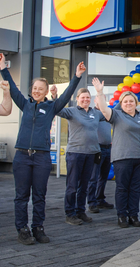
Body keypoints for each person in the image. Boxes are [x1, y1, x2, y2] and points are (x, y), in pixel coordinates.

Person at [0, 53, 85, 245]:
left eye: (41, 89)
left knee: (39, 195)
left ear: (46, 91)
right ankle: (22, 229)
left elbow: (67, 95)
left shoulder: (52, 107)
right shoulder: (25, 104)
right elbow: (12, 88)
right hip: (22, 156)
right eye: (35, 88)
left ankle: (38, 228)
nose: (37, 91)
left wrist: (77, 76)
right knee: (21, 196)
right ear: (32, 90)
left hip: (41, 158)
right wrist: (3, 68)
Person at [92, 78, 140, 228]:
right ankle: (122, 215)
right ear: (121, 104)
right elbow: (103, 108)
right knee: (122, 187)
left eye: (131, 101)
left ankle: (133, 215)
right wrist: (99, 92)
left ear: (136, 102)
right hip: (122, 158)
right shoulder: (116, 115)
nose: (128, 104)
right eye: (125, 102)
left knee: (135, 189)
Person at [57, 88, 106, 226]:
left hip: (91, 154)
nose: (85, 100)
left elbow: (109, 113)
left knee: (84, 185)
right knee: (72, 185)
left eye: (88, 97)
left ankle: (80, 211)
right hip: (75, 153)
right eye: (83, 97)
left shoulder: (95, 113)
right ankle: (70, 213)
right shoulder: (71, 111)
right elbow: (57, 109)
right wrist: (55, 96)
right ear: (77, 98)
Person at [87, 95, 114, 213]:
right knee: (93, 177)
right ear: (95, 101)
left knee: (103, 177)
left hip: (108, 149)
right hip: (97, 149)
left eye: (103, 99)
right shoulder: (92, 114)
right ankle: (92, 202)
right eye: (99, 99)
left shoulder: (108, 113)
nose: (102, 102)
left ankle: (100, 199)